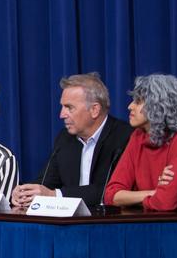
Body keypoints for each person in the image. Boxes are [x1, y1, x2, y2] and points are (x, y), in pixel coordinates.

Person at [11, 73, 132, 207]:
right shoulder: (65, 138)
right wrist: (26, 192)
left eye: (69, 107)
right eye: (62, 107)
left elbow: (107, 191)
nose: (62, 115)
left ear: (94, 110)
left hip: (111, 223)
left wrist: (54, 195)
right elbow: (47, 181)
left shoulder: (124, 137)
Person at [103, 74, 177, 212]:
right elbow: (111, 195)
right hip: (153, 223)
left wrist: (134, 198)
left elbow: (164, 203)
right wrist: (152, 193)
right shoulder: (137, 137)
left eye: (138, 101)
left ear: (159, 105)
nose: (129, 106)